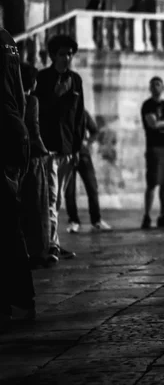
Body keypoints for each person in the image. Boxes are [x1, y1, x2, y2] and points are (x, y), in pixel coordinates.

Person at [36, 34, 85, 261]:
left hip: (68, 148)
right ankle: (51, 245)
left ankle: (54, 241)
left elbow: (79, 116)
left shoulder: (75, 79)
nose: (68, 58)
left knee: (59, 200)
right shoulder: (42, 79)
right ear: (53, 56)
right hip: (50, 148)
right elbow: (38, 112)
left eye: (70, 54)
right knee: (51, 197)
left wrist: (78, 147)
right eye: (63, 54)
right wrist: (56, 96)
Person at [0, 27, 36, 324]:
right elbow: (22, 98)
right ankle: (21, 301)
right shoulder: (7, 39)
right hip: (15, 132)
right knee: (10, 223)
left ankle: (17, 301)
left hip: (3, 131)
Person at [19, 62, 55, 268]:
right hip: (32, 159)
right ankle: (38, 251)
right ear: (32, 82)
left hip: (11, 159)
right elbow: (34, 130)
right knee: (37, 205)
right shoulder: (31, 100)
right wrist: (45, 151)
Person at [140, 77, 164, 229]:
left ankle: (163, 214)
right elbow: (153, 124)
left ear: (163, 87)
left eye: (158, 84)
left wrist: (163, 123)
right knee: (152, 182)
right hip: (154, 147)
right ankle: (147, 216)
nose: (156, 86)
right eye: (153, 84)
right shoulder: (147, 105)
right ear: (150, 88)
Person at [65, 110, 112, 233]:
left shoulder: (82, 113)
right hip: (67, 155)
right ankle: (73, 221)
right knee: (69, 191)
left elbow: (95, 131)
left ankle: (96, 221)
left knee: (92, 187)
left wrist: (87, 142)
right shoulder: (61, 110)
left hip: (83, 155)